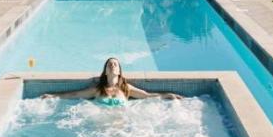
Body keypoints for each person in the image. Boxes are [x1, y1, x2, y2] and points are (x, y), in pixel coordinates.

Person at [40, 57, 181, 105]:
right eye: (109, 64)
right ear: (105, 71)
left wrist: (168, 95)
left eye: (115, 64)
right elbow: (74, 95)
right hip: (102, 128)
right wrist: (53, 96)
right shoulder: (97, 89)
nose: (112, 65)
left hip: (121, 128)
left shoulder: (127, 88)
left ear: (119, 72)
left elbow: (147, 95)